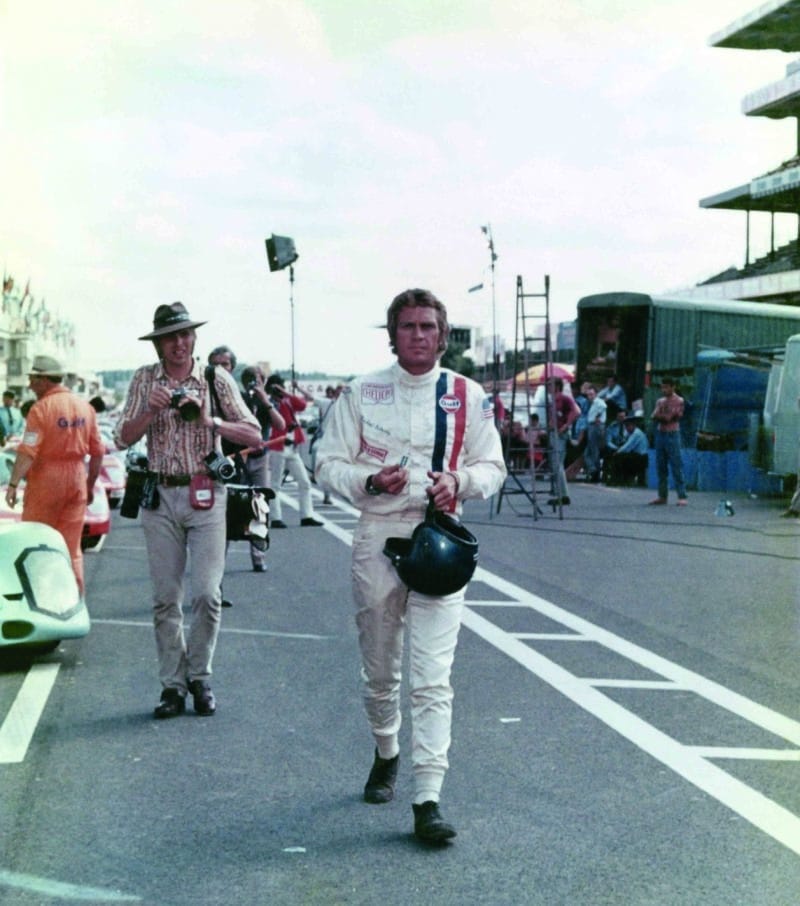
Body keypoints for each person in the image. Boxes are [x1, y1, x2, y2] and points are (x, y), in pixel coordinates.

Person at [316, 288, 506, 844]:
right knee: (380, 668)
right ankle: (386, 749)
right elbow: (326, 461)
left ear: (443, 336)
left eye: (428, 326)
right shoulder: (362, 392)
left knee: (432, 677)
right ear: (392, 333)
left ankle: (428, 796)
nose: (418, 335)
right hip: (379, 533)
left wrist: (460, 483)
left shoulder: (466, 395)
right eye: (407, 326)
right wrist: (368, 481)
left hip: (439, 542)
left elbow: (492, 465)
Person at [115, 303, 262, 719]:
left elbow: (254, 432)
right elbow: (123, 437)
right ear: (158, 344)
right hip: (161, 494)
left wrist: (212, 422)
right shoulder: (145, 379)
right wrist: (151, 408)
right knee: (165, 598)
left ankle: (200, 675)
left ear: (194, 338)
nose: (179, 343)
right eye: (170, 337)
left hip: (206, 493)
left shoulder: (216, 378)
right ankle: (172, 686)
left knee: (207, 594)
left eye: (186, 335)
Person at [4, 356, 104, 594]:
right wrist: (89, 486)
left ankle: (42, 599)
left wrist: (13, 484)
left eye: (32, 380)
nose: (29, 386)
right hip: (77, 478)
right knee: (72, 547)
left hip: (46, 480)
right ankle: (75, 599)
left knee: (37, 542)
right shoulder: (85, 408)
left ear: (44, 380)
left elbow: (28, 451)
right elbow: (98, 452)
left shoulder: (41, 409)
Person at [266, 374, 323, 528]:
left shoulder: (287, 400)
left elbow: (303, 405)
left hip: (292, 447)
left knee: (304, 482)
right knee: (275, 484)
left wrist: (287, 393)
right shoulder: (269, 402)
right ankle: (275, 517)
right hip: (277, 446)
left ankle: (307, 516)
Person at [649, 377, 687, 506]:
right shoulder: (660, 401)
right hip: (661, 434)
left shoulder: (679, 401)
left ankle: (682, 496)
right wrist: (662, 416)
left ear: (672, 387)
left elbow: (671, 418)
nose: (663, 390)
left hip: (672, 434)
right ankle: (662, 495)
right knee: (661, 466)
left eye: (666, 387)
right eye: (662, 387)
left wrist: (661, 416)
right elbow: (653, 416)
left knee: (676, 465)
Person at [547, 377, 579, 506]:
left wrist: (566, 425)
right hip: (553, 432)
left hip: (560, 433)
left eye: (551, 385)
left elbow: (576, 412)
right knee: (555, 464)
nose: (548, 387)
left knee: (557, 464)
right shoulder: (552, 401)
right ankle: (561, 493)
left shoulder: (564, 399)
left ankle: (562, 494)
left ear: (557, 386)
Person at [606, 415, 649, 486]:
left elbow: (627, 447)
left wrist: (617, 452)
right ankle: (619, 479)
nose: (627, 428)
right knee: (621, 457)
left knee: (619, 457)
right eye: (626, 426)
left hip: (641, 458)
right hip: (638, 456)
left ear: (633, 425)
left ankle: (616, 480)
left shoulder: (636, 434)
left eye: (628, 426)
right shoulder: (632, 433)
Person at [583, 384, 607, 483]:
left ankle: (595, 473)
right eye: (588, 395)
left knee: (593, 451)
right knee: (589, 452)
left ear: (596, 394)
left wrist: (597, 417)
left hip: (596, 426)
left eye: (592, 394)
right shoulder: (592, 404)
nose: (590, 397)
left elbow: (603, 406)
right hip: (592, 426)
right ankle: (593, 471)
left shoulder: (599, 402)